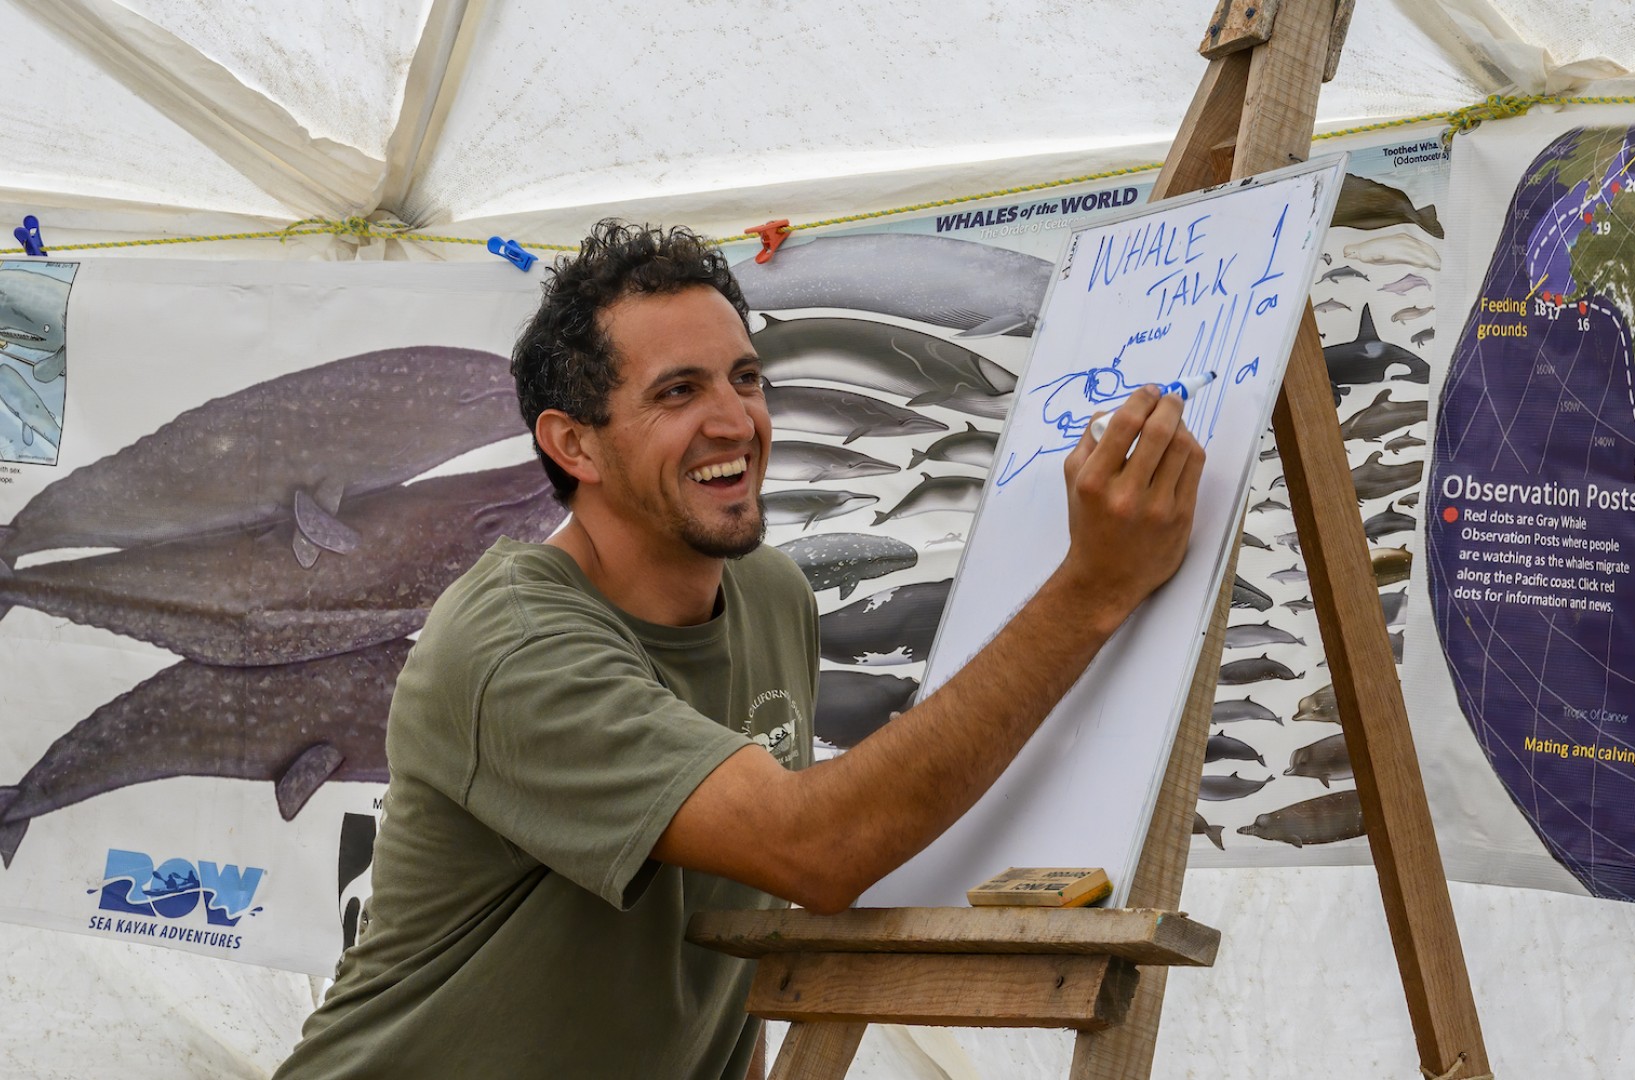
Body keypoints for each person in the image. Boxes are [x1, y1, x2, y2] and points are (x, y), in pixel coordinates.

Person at [274, 221, 1204, 1079]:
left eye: (746, 378)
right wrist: (1095, 586)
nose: (736, 421)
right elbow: (815, 848)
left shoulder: (770, 595)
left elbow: (729, 946)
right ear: (573, 445)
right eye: (679, 391)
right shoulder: (513, 643)